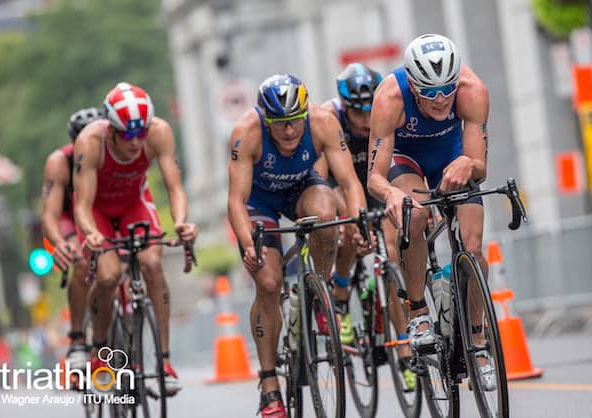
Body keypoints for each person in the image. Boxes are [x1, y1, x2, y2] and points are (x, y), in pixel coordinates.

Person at [227, 74, 368, 417]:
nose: (289, 131)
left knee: (327, 213)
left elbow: (349, 183)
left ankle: (318, 292)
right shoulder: (246, 132)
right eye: (279, 124)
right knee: (270, 282)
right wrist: (248, 245)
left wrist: (360, 222)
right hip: (259, 203)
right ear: (265, 118)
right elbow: (235, 200)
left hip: (301, 189)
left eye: (294, 122)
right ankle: (269, 383)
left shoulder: (322, 122)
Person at [367, 33, 490, 368]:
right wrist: (391, 193)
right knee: (415, 214)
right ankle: (418, 310)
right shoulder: (390, 97)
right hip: (406, 160)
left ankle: (477, 337)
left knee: (474, 247)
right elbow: (375, 177)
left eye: (446, 89)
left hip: (451, 156)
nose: (440, 99)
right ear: (412, 84)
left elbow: (480, 166)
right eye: (429, 92)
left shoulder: (471, 90)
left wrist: (468, 163)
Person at [73, 82, 198, 395]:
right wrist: (91, 234)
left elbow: (175, 189)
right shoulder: (90, 142)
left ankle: (164, 362)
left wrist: (181, 222)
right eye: (128, 135)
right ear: (111, 129)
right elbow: (82, 206)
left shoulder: (159, 133)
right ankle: (100, 352)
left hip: (133, 204)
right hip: (98, 212)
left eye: (140, 133)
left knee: (153, 265)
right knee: (108, 275)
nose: (135, 141)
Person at [321, 63, 416, 390]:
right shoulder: (329, 118)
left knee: (392, 250)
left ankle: (405, 345)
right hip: (342, 182)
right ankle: (342, 293)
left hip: (377, 183)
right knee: (349, 228)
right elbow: (328, 179)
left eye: (368, 112)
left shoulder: (389, 110)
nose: (364, 121)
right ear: (344, 107)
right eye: (356, 113)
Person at [41, 107, 103, 370]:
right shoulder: (59, 163)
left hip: (101, 213)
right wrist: (61, 243)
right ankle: (77, 338)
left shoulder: (114, 155)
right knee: (80, 259)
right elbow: (49, 215)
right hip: (70, 217)